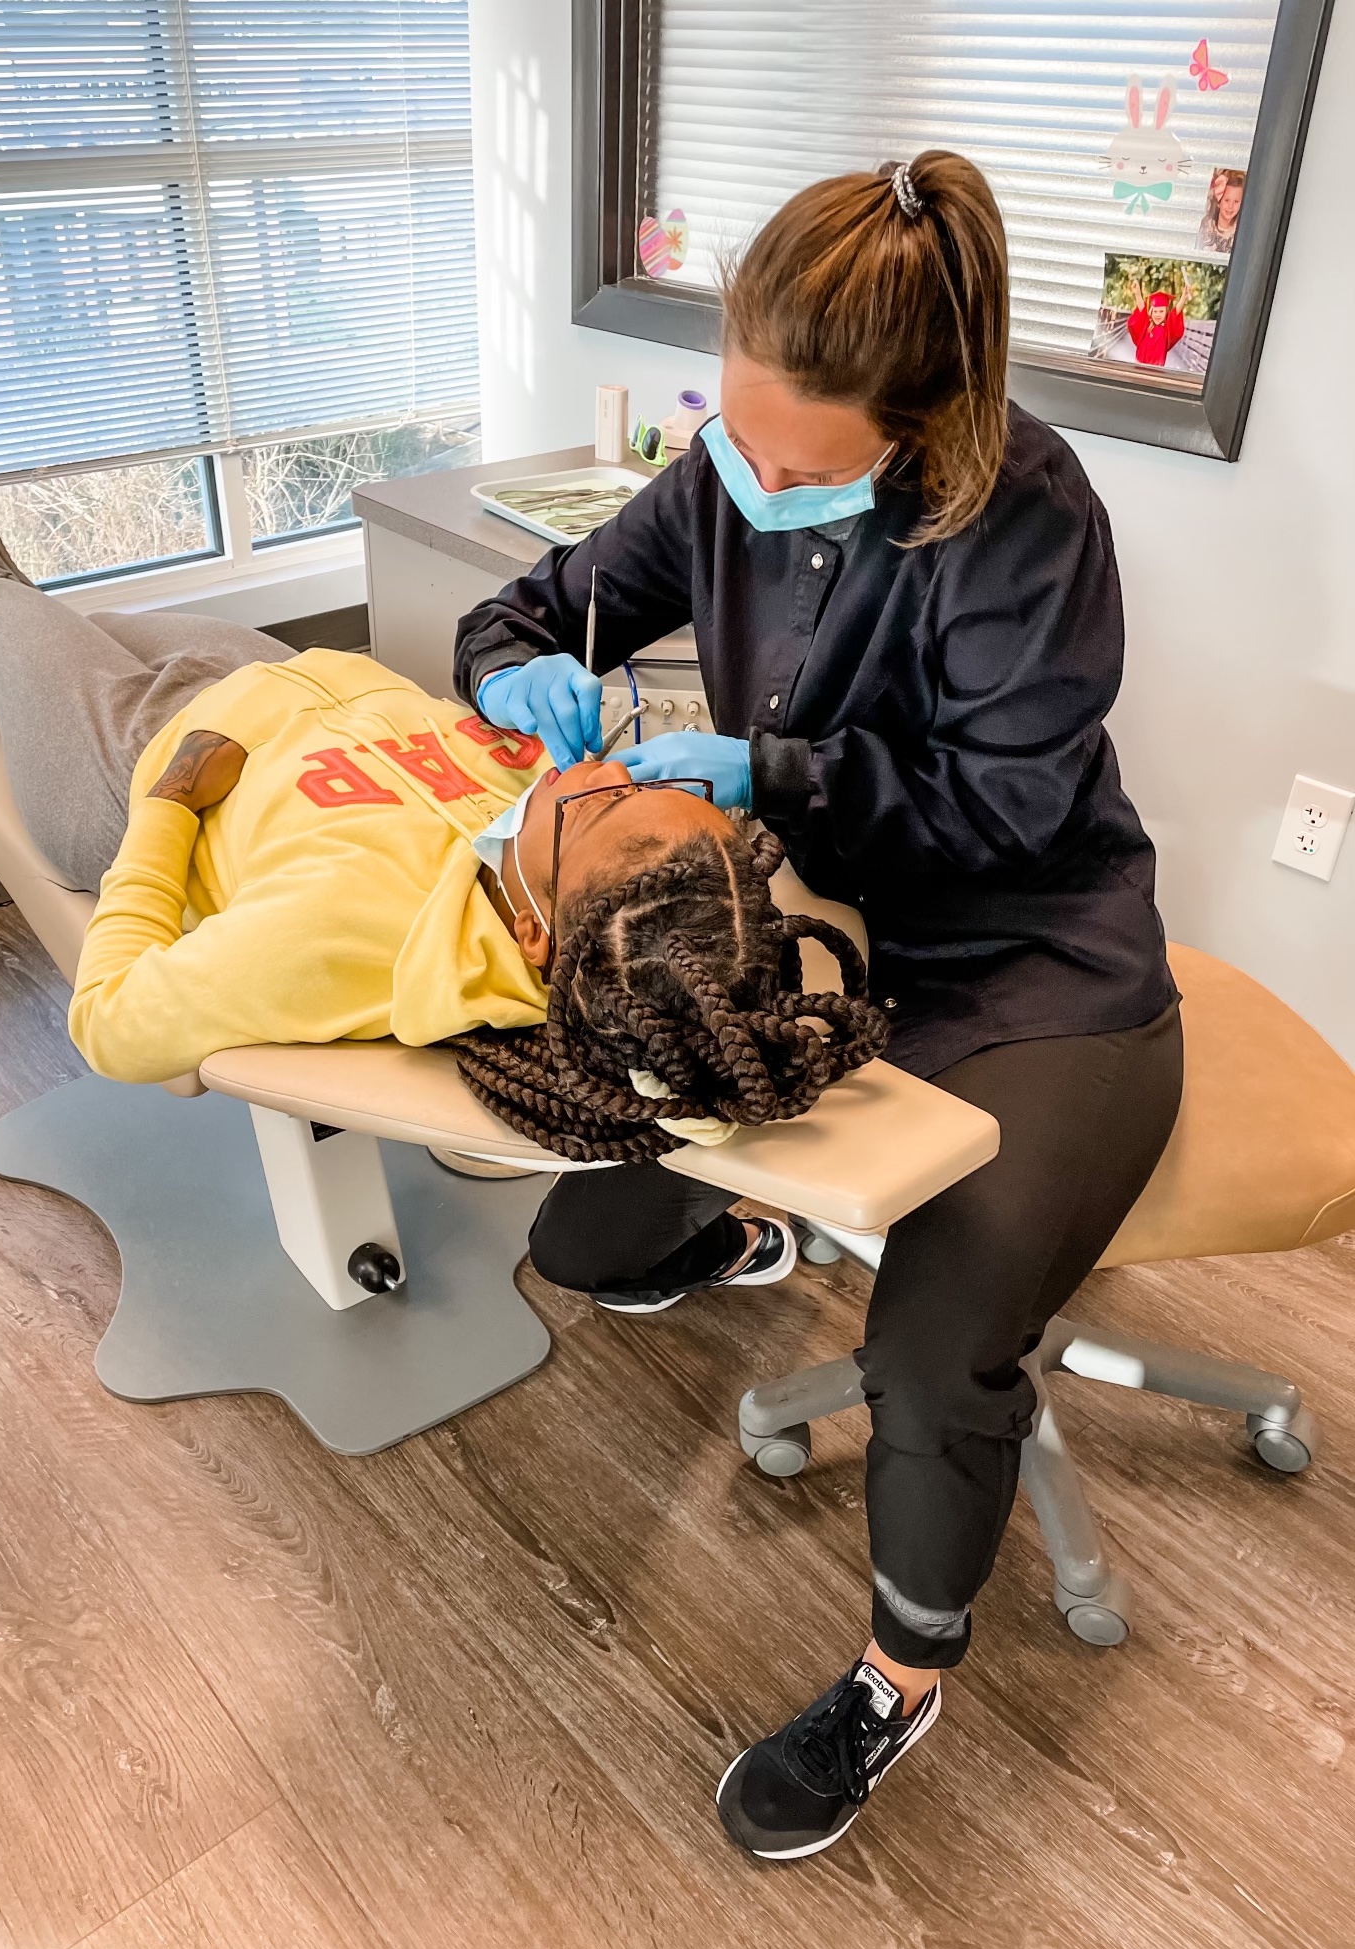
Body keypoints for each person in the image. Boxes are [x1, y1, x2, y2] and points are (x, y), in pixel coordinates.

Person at [455, 153, 1182, 1862]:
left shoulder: (1032, 518)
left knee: (931, 1350)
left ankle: (897, 1672)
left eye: (794, 453)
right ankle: (753, 1244)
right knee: (586, 1248)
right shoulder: (726, 475)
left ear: (915, 422)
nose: (748, 470)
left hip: (1036, 965)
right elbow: (527, 604)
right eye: (737, 426)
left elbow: (1008, 808)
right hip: (821, 947)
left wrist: (768, 765)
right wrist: (514, 664)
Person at [0, 489, 883, 1175]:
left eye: (605, 802)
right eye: (647, 780)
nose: (606, 767)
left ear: (536, 935)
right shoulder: (579, 871)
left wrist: (167, 806)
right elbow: (709, 1072)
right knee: (69, 614)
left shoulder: (339, 936)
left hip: (140, 754)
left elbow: (112, 1019)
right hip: (281, 673)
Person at [1127, 275, 1187, 366]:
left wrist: (1183, 298)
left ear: (1166, 312)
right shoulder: (1146, 326)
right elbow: (1141, 309)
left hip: (1156, 371)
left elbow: (1175, 313)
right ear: (1151, 312)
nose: (1158, 314)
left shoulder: (1167, 330)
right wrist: (1137, 293)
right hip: (1139, 367)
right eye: (1155, 311)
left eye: (1161, 311)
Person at [1197, 167, 1244, 254]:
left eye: (1236, 201)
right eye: (1226, 200)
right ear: (1219, 202)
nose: (1230, 206)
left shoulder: (1239, 232)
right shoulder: (1206, 225)